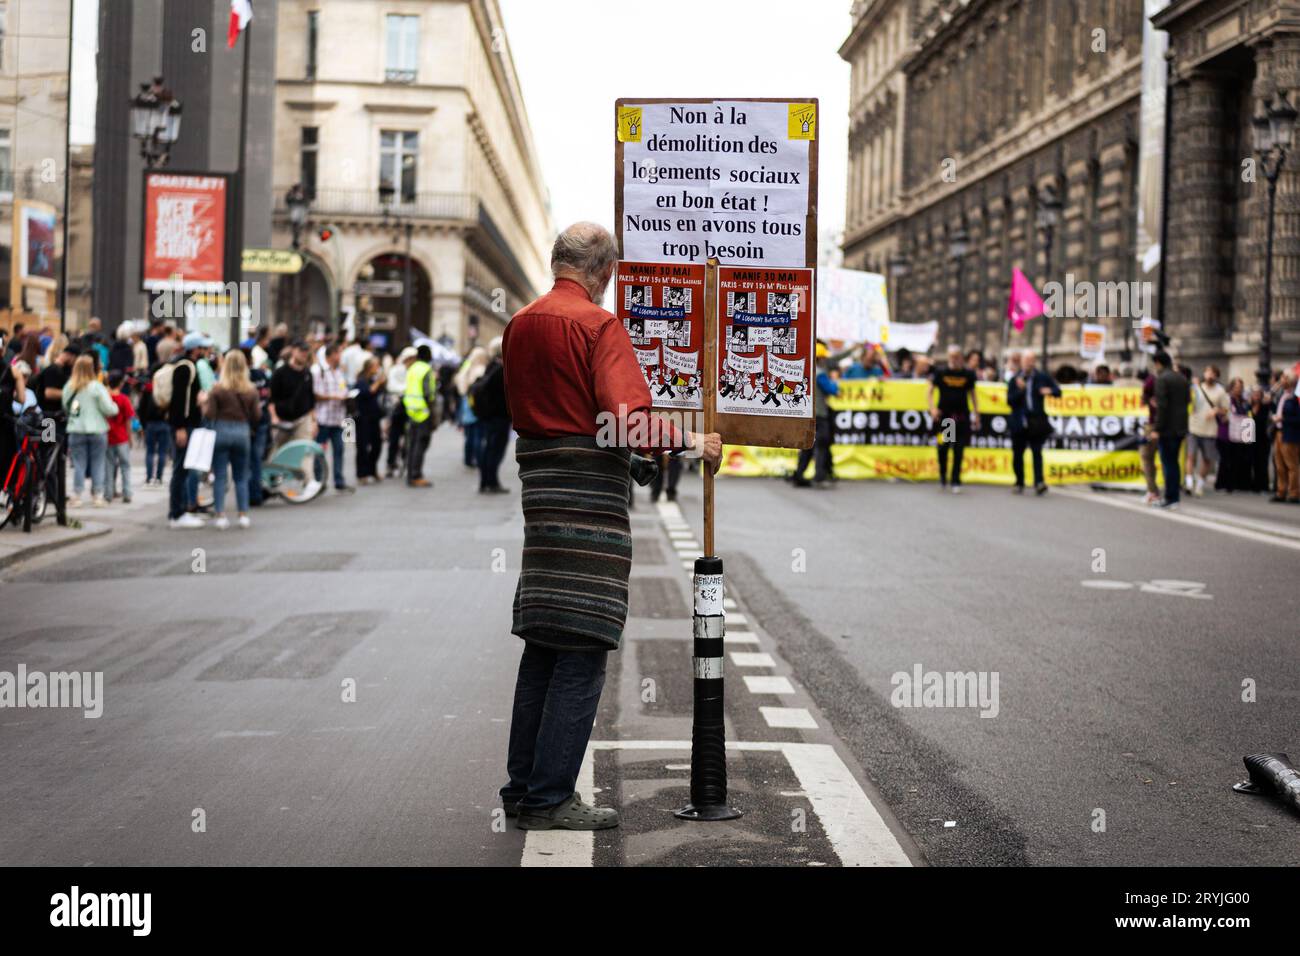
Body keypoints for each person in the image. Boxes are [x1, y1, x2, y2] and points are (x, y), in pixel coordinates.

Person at [498, 222, 722, 831]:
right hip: (590, 502)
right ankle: (549, 798)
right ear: (605, 272)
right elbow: (629, 421)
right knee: (585, 646)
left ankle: (521, 790)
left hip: (540, 497)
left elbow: (521, 410)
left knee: (544, 642)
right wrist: (691, 439)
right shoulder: (598, 325)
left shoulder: (519, 323)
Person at [206, 349, 260, 529]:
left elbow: (210, 414)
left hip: (221, 431)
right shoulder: (251, 390)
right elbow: (257, 415)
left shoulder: (217, 389)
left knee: (220, 475)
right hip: (242, 432)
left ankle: (220, 514)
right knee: (241, 477)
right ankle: (243, 514)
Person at [792, 341, 851, 488]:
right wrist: (835, 381)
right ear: (821, 358)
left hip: (807, 415)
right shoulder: (820, 374)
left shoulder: (804, 371)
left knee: (807, 446)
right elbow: (833, 390)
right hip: (820, 415)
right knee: (821, 446)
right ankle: (819, 476)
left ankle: (799, 475)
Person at [165, 333, 209, 529]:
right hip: (184, 425)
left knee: (183, 468)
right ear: (195, 349)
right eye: (203, 347)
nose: (206, 351)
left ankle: (180, 511)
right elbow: (179, 400)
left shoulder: (185, 366)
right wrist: (180, 427)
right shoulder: (185, 367)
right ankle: (177, 513)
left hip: (186, 424)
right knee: (180, 469)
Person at [62, 354, 117, 508]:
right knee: (98, 463)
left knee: (79, 463)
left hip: (76, 429)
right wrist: (114, 407)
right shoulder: (97, 387)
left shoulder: (70, 386)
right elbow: (109, 409)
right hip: (97, 429)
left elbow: (67, 408)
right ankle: (97, 495)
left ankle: (77, 495)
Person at [1007, 349, 1060, 495]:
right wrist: (1021, 390)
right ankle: (1019, 482)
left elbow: (1057, 391)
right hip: (1019, 422)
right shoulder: (1015, 379)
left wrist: (1049, 391)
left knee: (1037, 452)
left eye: (1032, 360)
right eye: (1027, 361)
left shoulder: (1042, 377)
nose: (1029, 364)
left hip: (1036, 421)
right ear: (1022, 362)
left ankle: (1039, 482)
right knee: (1018, 454)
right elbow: (1010, 401)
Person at [927, 344, 979, 493]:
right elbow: (929, 392)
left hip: (961, 417)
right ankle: (943, 476)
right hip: (946, 419)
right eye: (952, 357)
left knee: (959, 449)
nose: (954, 360)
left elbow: (973, 395)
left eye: (957, 357)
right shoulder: (941, 373)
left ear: (961, 358)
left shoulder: (968, 374)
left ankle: (956, 480)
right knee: (943, 447)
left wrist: (976, 413)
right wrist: (932, 409)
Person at [311, 343, 354, 494]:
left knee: (339, 450)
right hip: (323, 419)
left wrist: (346, 396)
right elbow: (315, 395)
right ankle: (318, 481)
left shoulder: (339, 373)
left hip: (338, 419)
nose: (340, 357)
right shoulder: (319, 372)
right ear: (331, 355)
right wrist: (333, 397)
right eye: (338, 353)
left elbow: (343, 389)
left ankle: (339, 481)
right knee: (319, 452)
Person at [1150, 350, 1190, 510]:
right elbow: (1187, 400)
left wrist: (1157, 429)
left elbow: (1162, 407)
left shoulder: (1162, 379)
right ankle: (1174, 497)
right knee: (1174, 463)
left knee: (1168, 463)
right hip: (1180, 427)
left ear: (1158, 363)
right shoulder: (1181, 378)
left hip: (1167, 429)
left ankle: (1170, 498)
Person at [471, 338, 511, 494]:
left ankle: (485, 482)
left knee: (488, 449)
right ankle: (492, 482)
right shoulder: (501, 369)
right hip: (499, 416)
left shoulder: (491, 367)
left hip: (488, 416)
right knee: (495, 450)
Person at [1188, 364, 1228, 496]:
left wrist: (1217, 410)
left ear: (1216, 376)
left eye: (1213, 373)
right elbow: (1188, 403)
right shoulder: (1197, 388)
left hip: (1210, 430)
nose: (1209, 376)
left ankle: (1199, 484)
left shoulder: (1220, 391)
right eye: (1207, 373)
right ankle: (1189, 482)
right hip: (1194, 426)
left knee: (1207, 459)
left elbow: (1226, 410)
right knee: (1190, 455)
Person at [402, 344, 438, 487]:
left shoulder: (412, 368)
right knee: (421, 444)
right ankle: (415, 476)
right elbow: (429, 393)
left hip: (411, 411)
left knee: (412, 444)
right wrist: (433, 412)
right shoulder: (426, 369)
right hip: (423, 412)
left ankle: (410, 473)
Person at [269, 341, 316, 451]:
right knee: (279, 454)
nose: (304, 354)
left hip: (302, 420)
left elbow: (311, 400)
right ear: (293, 351)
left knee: (303, 454)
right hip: (282, 421)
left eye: (306, 351)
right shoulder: (280, 372)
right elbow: (271, 398)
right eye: (301, 351)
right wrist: (274, 417)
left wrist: (314, 421)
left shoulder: (308, 374)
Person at [455, 346, 489, 469]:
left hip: (465, 402)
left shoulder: (466, 369)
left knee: (469, 434)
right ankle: (479, 460)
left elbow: (459, 385)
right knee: (478, 434)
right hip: (476, 404)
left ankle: (468, 459)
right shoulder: (481, 369)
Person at [104, 370, 136, 504]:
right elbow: (128, 420)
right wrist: (130, 438)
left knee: (109, 466)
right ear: (121, 384)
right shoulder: (124, 399)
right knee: (125, 466)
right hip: (122, 437)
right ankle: (127, 493)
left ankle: (108, 493)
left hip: (108, 436)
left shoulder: (105, 398)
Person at [136, 365, 171, 487]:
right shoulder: (167, 388)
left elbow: (141, 409)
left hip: (150, 424)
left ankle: (149, 476)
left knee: (150, 451)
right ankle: (159, 477)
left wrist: (142, 424)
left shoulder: (148, 388)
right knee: (162, 451)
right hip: (164, 423)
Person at [354, 356, 386, 484]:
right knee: (362, 446)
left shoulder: (374, 379)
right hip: (362, 417)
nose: (377, 368)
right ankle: (362, 473)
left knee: (377, 445)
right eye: (376, 365)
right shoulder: (361, 380)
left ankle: (372, 469)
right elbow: (367, 392)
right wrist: (378, 382)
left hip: (374, 416)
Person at [385, 347, 415, 478]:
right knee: (394, 437)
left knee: (409, 437)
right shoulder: (396, 370)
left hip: (411, 407)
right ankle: (391, 463)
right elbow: (392, 386)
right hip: (397, 406)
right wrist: (405, 390)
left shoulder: (414, 371)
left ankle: (406, 460)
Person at [1271, 371, 1300, 504]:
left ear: (1292, 381)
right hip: (1279, 431)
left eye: (1285, 378)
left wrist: (1283, 418)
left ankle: (1294, 493)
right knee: (1279, 465)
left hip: (1290, 433)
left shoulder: (1296, 397)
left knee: (1291, 465)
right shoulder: (1282, 394)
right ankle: (1281, 491)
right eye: (1282, 377)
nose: (1282, 380)